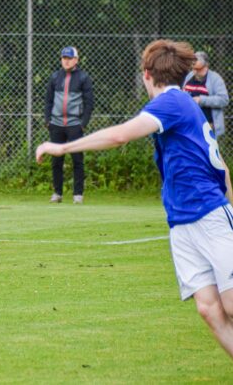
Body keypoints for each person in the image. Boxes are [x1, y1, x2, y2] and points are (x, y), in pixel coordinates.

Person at [36, 39, 233, 359]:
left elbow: (119, 135)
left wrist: (61, 147)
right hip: (181, 222)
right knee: (210, 310)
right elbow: (222, 168)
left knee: (230, 304)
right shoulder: (184, 105)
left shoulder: (171, 103)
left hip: (209, 214)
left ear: (146, 75)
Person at [44, 46, 94, 204]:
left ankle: (77, 194)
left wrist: (83, 124)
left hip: (75, 125)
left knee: (77, 159)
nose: (66, 61)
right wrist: (48, 121)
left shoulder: (83, 78)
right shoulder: (54, 77)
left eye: (70, 58)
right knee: (56, 160)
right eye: (64, 58)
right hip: (56, 124)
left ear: (76, 60)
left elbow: (89, 103)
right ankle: (57, 193)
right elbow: (48, 101)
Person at [183, 51, 229, 140]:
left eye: (199, 69)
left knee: (208, 152)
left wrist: (201, 100)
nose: (196, 72)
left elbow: (224, 100)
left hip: (208, 125)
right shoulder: (189, 76)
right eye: (194, 69)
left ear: (206, 66)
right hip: (189, 124)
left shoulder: (215, 78)